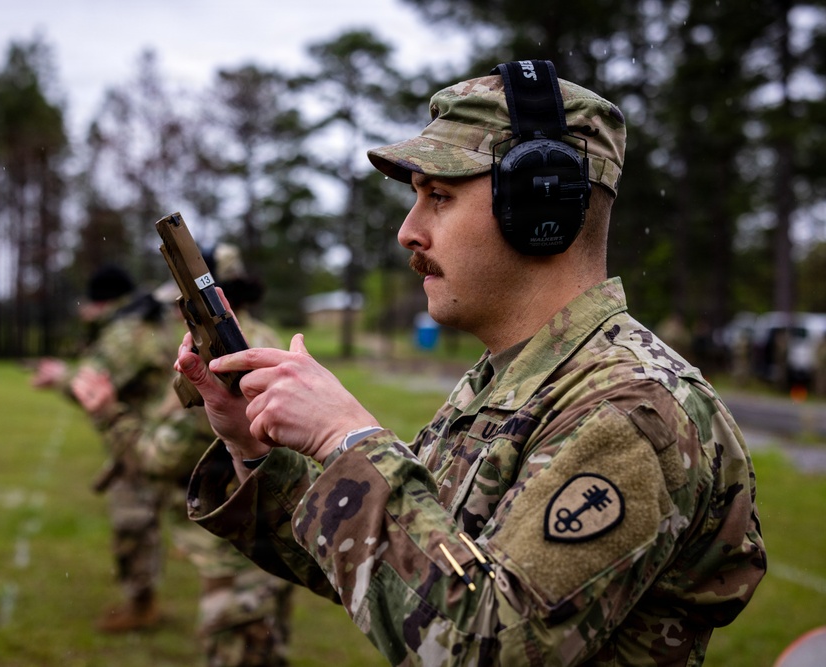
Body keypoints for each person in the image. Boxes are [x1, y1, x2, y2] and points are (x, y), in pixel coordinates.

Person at [176, 60, 766, 665]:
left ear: (540, 205)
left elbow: (484, 646)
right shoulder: (505, 381)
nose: (408, 231)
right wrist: (253, 448)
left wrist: (346, 440)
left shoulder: (633, 409)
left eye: (439, 196)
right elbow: (402, 585)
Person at [72, 245, 294, 666]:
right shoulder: (263, 339)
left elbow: (160, 459)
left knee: (238, 649)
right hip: (278, 527)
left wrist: (107, 414)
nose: (176, 314)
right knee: (268, 641)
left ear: (206, 303)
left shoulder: (219, 363)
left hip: (238, 543)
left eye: (183, 302)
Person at [31, 263, 181, 632]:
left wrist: (59, 377)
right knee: (146, 519)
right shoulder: (149, 321)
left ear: (102, 302)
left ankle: (141, 605)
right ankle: (144, 598)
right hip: (158, 433)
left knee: (132, 522)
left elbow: (92, 387)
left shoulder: (123, 334)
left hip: (135, 438)